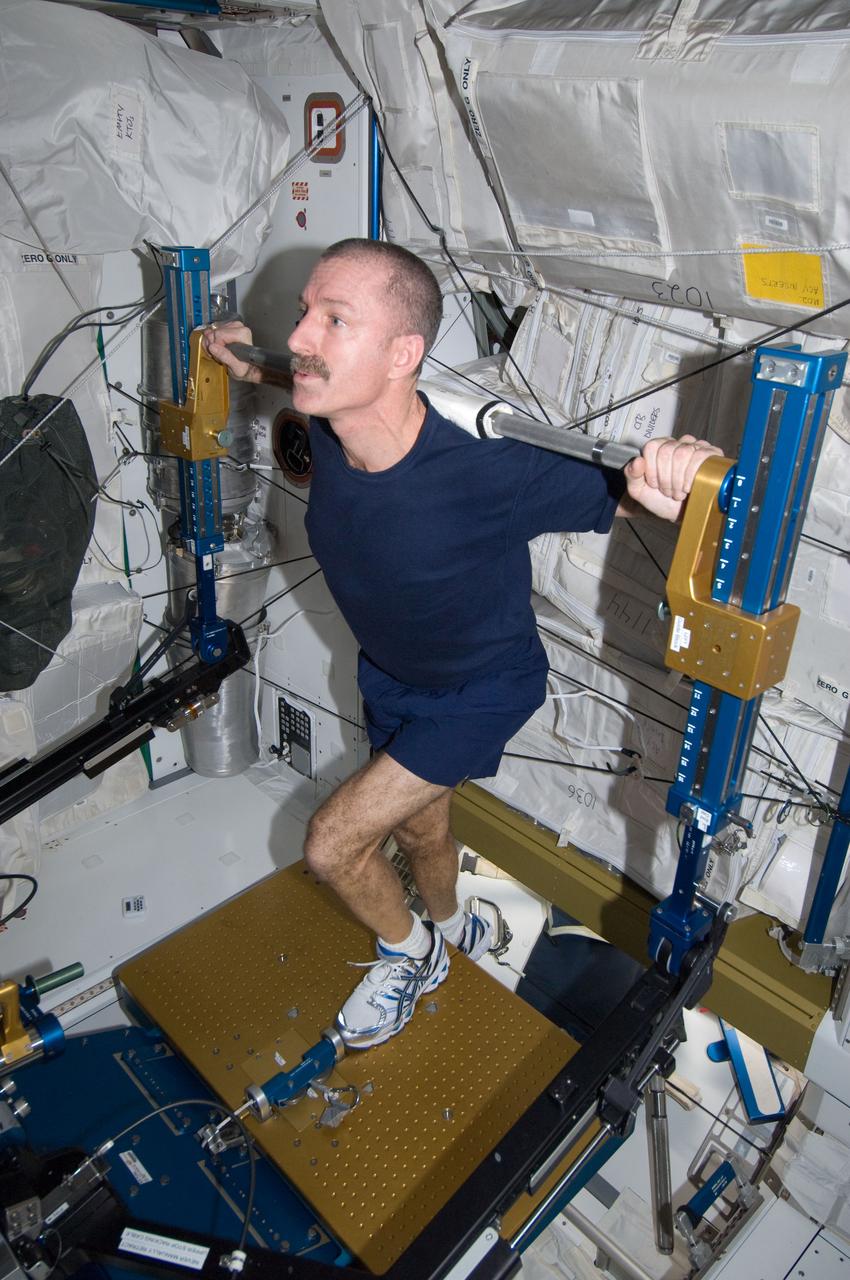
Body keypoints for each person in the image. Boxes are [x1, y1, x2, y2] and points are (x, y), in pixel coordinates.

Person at [204, 238, 720, 1050]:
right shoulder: (330, 414)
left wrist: (680, 472)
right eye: (306, 311)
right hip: (393, 679)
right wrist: (246, 360)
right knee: (422, 833)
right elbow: (285, 368)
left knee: (334, 845)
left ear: (403, 353)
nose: (303, 333)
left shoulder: (486, 470)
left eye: (335, 319)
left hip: (483, 688)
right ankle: (450, 929)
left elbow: (631, 493)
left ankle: (411, 956)